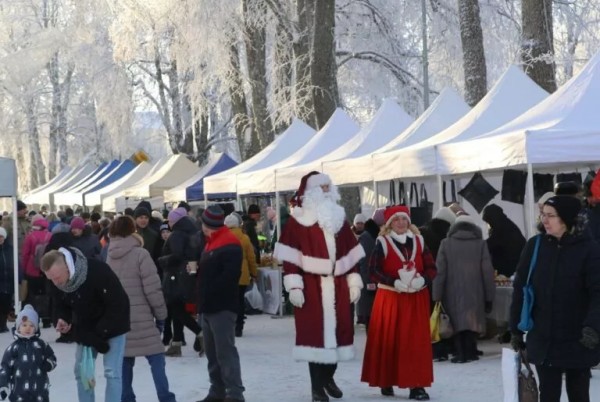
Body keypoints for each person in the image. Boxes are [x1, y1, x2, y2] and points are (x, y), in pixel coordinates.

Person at [274, 171, 364, 402]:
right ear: (310, 192)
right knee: (315, 338)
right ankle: (317, 388)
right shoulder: (298, 222)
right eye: (321, 187)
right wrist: (294, 285)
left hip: (338, 285)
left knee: (341, 333)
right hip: (311, 286)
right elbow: (291, 257)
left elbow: (351, 254)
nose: (326, 191)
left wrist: (353, 281)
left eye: (328, 186)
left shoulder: (340, 219)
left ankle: (328, 376)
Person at [510, 196, 600, 402]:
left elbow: (598, 293)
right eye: (543, 214)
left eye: (551, 216)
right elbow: (521, 288)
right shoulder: (535, 245)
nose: (545, 220)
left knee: (578, 394)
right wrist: (515, 327)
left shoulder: (589, 249)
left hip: (578, 338)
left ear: (567, 219)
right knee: (548, 394)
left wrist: (593, 327)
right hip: (544, 337)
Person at [361, 205, 436, 400]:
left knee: (415, 342)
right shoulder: (382, 243)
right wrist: (393, 282)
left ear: (409, 222)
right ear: (389, 223)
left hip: (416, 299)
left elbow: (431, 267)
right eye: (396, 220)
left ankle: (416, 385)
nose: (401, 223)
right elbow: (373, 271)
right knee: (390, 340)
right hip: (391, 298)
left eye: (404, 219)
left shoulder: (419, 241)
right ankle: (387, 378)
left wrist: (424, 280)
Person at [41, 246, 130, 402]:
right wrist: (62, 319)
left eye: (57, 277)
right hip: (86, 327)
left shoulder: (97, 270)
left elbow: (118, 304)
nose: (55, 282)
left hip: (114, 324)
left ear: (68, 266)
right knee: (82, 372)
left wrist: (99, 333)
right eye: (51, 279)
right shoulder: (57, 282)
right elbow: (60, 304)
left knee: (112, 372)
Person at [106, 216, 176, 402]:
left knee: (125, 362)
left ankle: (126, 398)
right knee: (156, 360)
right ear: (132, 230)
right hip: (143, 318)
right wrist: (161, 315)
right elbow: (152, 288)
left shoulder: (110, 256)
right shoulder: (140, 254)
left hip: (121, 320)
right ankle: (166, 398)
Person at [195, 205, 245, 402]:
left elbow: (230, 276)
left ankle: (234, 393)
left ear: (208, 225)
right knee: (212, 353)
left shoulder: (230, 243)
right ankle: (217, 390)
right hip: (208, 306)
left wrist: (208, 292)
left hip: (222, 307)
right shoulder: (210, 242)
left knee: (225, 351)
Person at [432, 215, 495, 363]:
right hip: (476, 292)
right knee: (471, 321)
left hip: (451, 292)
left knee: (457, 321)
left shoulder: (445, 243)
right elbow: (487, 271)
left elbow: (439, 271)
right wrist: (489, 296)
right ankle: (470, 351)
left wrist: (436, 294)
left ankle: (460, 353)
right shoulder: (480, 244)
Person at [158, 207, 203, 357]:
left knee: (175, 308)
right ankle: (176, 343)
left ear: (175, 221)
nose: (169, 223)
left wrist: (162, 260)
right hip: (187, 275)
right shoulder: (193, 231)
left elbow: (176, 255)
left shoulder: (177, 234)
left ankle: (200, 333)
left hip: (175, 276)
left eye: (170, 220)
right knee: (177, 308)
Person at [0, 304, 57, 402]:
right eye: (24, 325)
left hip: (40, 392)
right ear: (18, 327)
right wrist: (3, 384)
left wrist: (49, 363)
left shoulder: (42, 345)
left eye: (31, 325)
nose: (28, 328)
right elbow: (5, 367)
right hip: (18, 394)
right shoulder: (14, 347)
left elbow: (52, 357)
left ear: (36, 328)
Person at [224, 212, 258, 337]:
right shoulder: (244, 238)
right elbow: (251, 258)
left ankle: (229, 325)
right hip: (242, 273)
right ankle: (239, 327)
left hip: (226, 274)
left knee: (228, 301)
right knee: (240, 301)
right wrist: (254, 273)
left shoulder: (222, 238)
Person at [481, 204, 526, 278]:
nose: (488, 224)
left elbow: (491, 244)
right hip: (514, 266)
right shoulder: (506, 224)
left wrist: (477, 245)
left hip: (509, 269)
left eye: (488, 221)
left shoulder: (502, 228)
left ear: (492, 219)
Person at [356, 217, 381, 328]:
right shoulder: (366, 237)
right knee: (368, 305)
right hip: (368, 278)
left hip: (373, 277)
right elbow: (364, 261)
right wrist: (368, 280)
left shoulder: (372, 236)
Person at [0, 228, 13, 333]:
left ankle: (3, 324)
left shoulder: (9, 249)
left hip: (8, 280)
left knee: (6, 303)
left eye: (1, 236)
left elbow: (15, 263)